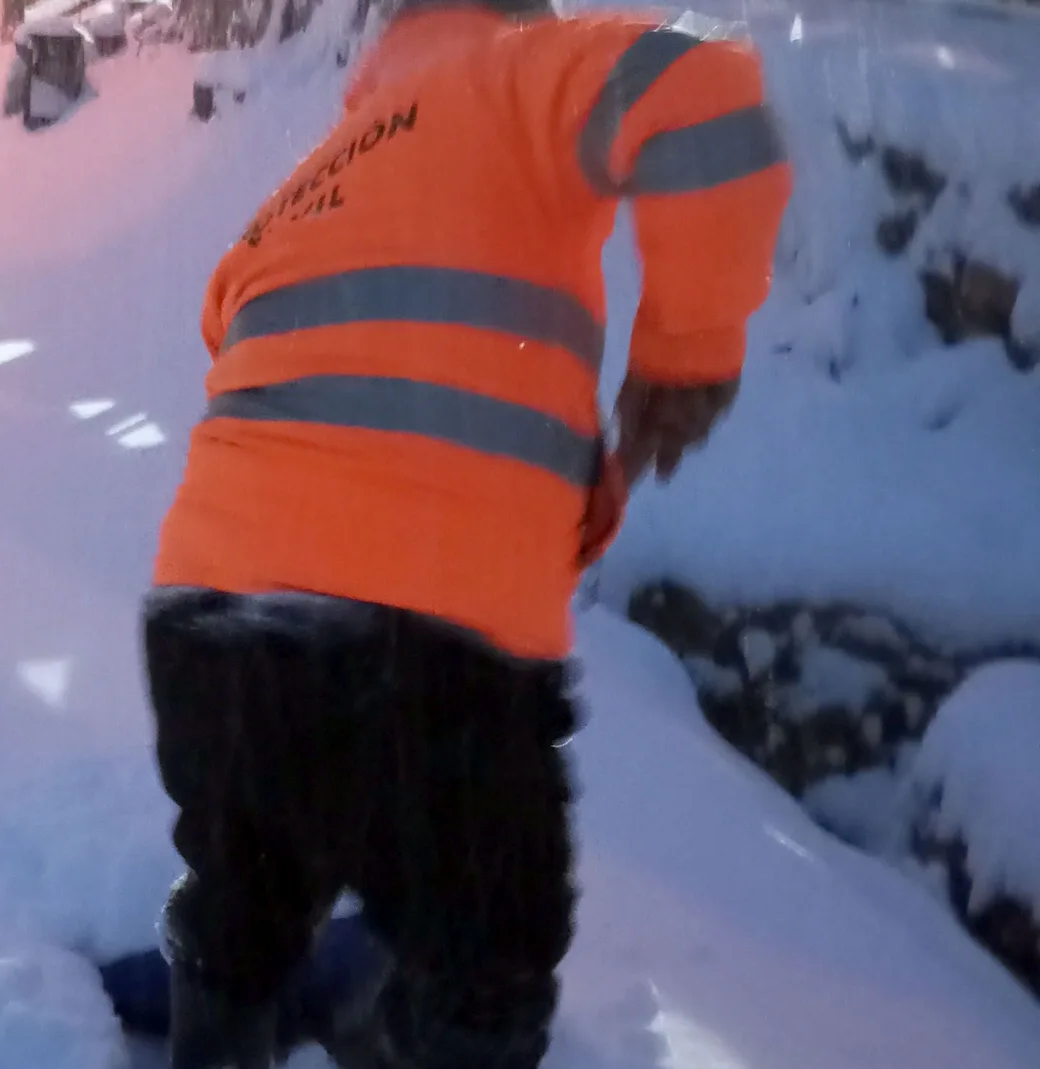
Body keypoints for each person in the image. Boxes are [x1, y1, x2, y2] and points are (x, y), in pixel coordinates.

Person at [141, 1, 794, 1067]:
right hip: (425, 645)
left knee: (242, 899)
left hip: (203, 625)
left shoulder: (297, 195)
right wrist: (686, 343)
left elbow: (248, 337)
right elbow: (704, 95)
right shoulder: (517, 72)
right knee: (483, 953)